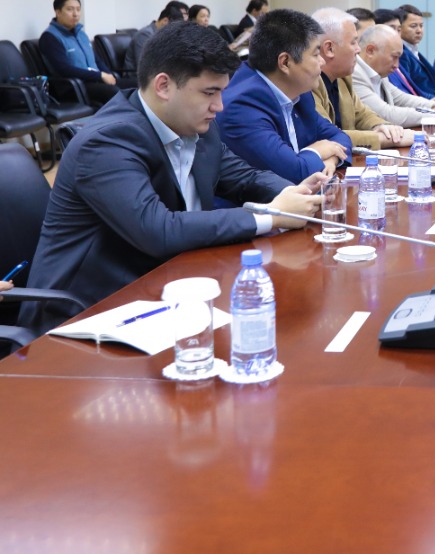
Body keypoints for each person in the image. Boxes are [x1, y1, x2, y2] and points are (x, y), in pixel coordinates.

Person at [21, 22, 322, 333]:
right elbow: (157, 229)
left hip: (170, 288)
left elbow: (244, 178)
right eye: (209, 92)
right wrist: (272, 216)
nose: (219, 106)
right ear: (163, 86)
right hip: (88, 312)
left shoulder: (197, 126)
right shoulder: (108, 141)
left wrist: (297, 195)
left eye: (221, 92)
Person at [217, 9, 351, 182]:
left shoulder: (299, 93)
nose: (322, 61)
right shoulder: (242, 107)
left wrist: (332, 160)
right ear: (285, 62)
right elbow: (294, 173)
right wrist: (317, 151)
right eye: (316, 54)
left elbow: (340, 138)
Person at [310, 8, 409, 151]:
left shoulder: (343, 76)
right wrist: (385, 139)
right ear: (329, 49)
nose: (358, 49)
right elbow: (328, 136)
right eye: (353, 42)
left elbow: (362, 114)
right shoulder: (308, 83)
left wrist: (383, 126)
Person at [353, 24, 435, 126]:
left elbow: (401, 98)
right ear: (370, 51)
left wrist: (434, 105)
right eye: (394, 57)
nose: (396, 66)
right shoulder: (355, 74)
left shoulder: (378, 70)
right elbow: (385, 115)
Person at [38, 0, 118, 106]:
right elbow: (64, 69)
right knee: (113, 92)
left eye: (78, 9)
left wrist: (108, 74)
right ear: (58, 12)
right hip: (73, 86)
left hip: (94, 81)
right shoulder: (50, 37)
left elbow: (96, 60)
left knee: (135, 85)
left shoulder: (81, 34)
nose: (75, 14)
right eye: (70, 9)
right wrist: (100, 76)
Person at [390, 3, 435, 97]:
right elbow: (409, 88)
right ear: (399, 28)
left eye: (421, 26)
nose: (419, 30)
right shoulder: (400, 53)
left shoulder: (412, 48)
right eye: (413, 26)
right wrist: (434, 101)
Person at [123, 3, 185, 75]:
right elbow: (144, 64)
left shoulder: (162, 35)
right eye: (172, 28)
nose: (172, 32)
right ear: (165, 21)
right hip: (136, 76)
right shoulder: (144, 35)